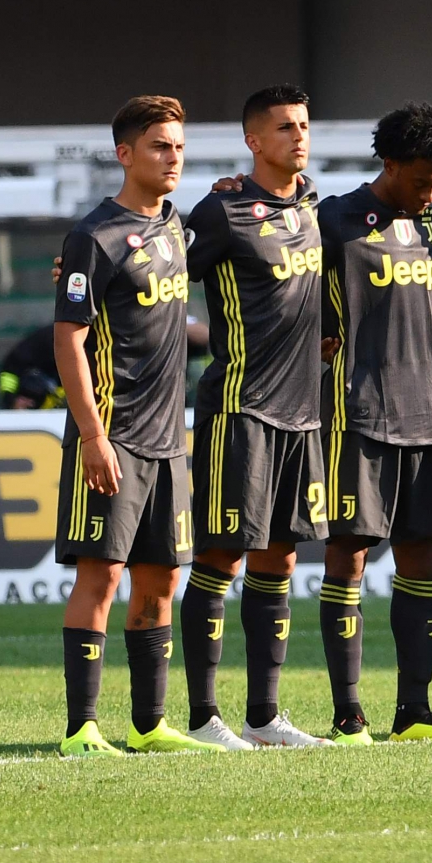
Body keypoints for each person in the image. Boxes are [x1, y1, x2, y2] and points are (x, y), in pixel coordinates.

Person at [312, 104, 432, 742]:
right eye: (422, 180)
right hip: (356, 413)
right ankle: (348, 711)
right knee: (349, 556)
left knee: (422, 559)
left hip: (428, 415)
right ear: (390, 163)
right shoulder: (333, 219)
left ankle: (413, 709)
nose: (431, 193)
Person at [173, 86, 332, 750]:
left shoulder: (314, 208)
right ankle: (205, 718)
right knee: (221, 557)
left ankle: (263, 718)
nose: (298, 136)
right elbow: (155, 276)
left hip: (304, 414)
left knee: (281, 560)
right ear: (253, 142)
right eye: (283, 128)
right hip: (241, 409)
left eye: (303, 124)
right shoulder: (223, 211)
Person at [53, 95, 211, 756]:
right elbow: (68, 339)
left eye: (177, 146)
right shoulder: (93, 236)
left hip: (169, 442)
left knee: (161, 580)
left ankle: (149, 724)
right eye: (158, 146)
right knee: (101, 576)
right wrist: (92, 436)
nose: (172, 157)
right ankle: (82, 728)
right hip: (111, 438)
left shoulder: (177, 227)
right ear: (125, 154)